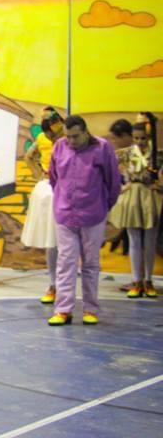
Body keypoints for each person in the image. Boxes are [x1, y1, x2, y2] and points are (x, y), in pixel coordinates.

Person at [46, 115, 121, 326]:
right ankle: (63, 310)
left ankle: (90, 309)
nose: (71, 141)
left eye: (76, 136)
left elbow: (113, 182)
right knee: (65, 262)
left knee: (90, 263)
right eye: (68, 136)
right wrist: (61, 200)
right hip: (65, 215)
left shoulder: (103, 148)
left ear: (86, 132)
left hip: (93, 215)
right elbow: (53, 178)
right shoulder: (59, 147)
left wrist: (104, 206)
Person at [107, 120, 161, 298]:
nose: (139, 141)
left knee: (150, 241)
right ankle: (137, 280)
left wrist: (159, 186)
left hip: (150, 197)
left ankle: (148, 281)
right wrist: (120, 185)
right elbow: (108, 164)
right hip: (132, 196)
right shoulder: (127, 153)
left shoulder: (157, 154)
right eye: (136, 138)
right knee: (135, 240)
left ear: (149, 137)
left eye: (143, 138)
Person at [21, 112, 64, 304]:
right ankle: (53, 284)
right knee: (50, 238)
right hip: (49, 188)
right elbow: (29, 156)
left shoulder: (69, 138)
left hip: (66, 188)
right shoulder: (41, 138)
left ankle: (62, 285)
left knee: (65, 241)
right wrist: (39, 174)